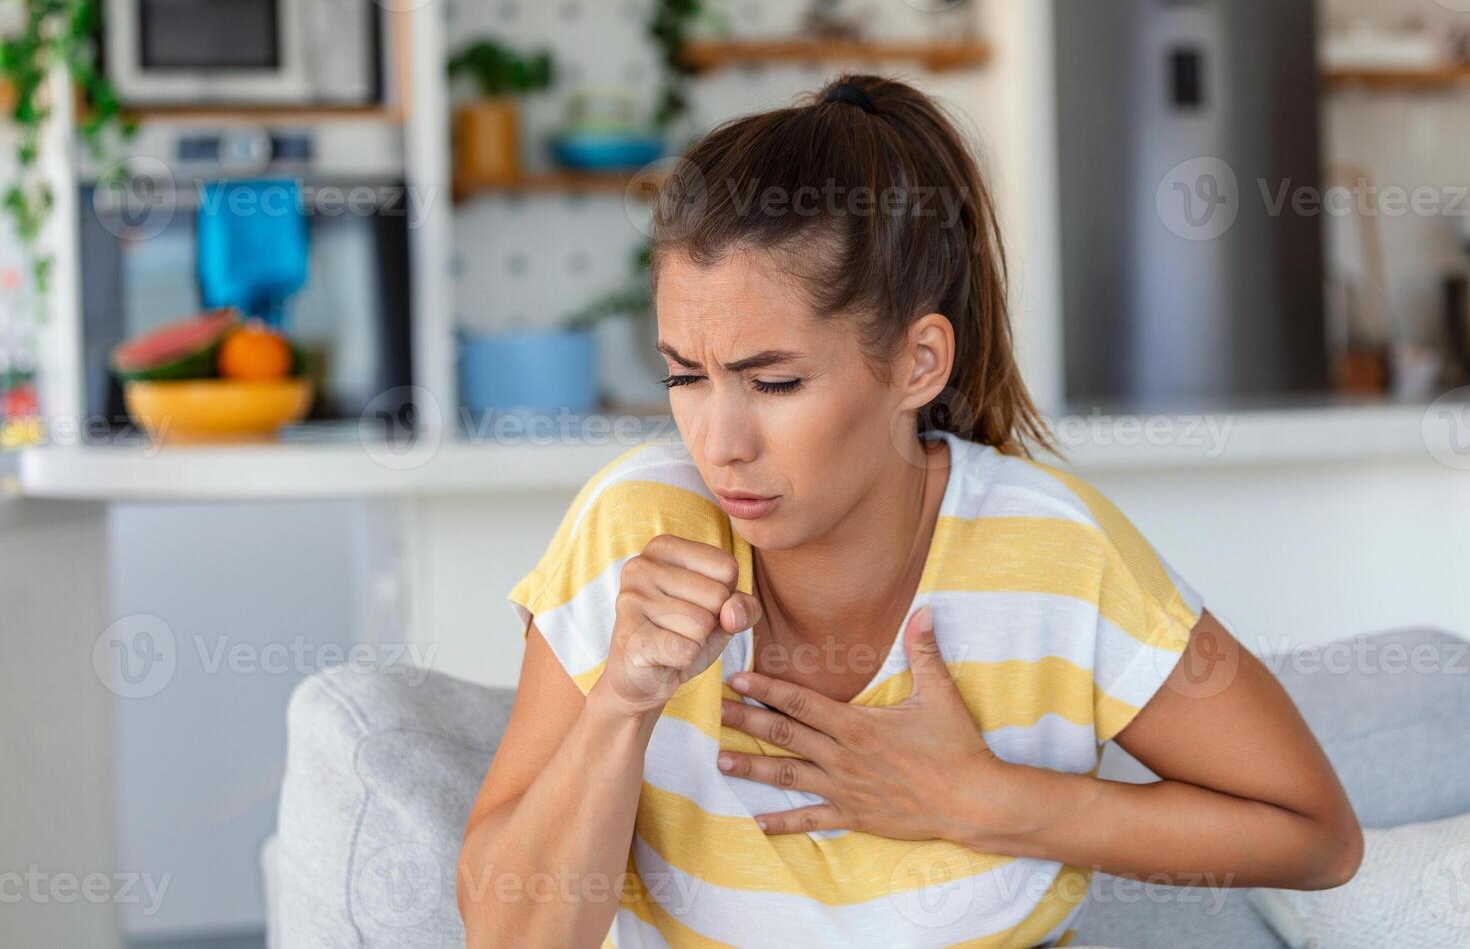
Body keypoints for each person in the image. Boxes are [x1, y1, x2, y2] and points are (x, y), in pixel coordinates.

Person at [457, 73, 1362, 948]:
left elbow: (1316, 837)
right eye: (684, 376)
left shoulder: (1055, 553)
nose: (719, 442)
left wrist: (982, 801)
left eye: (774, 381)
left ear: (920, 363)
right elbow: (507, 937)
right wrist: (621, 701)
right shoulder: (632, 529)